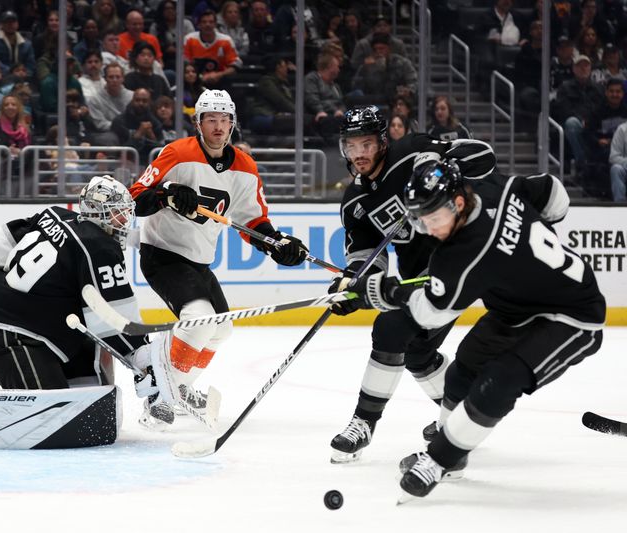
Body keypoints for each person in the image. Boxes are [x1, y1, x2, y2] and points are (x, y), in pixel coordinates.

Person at [344, 158, 604, 499]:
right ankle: (452, 452)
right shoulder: (495, 186)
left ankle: (439, 460)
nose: (428, 228)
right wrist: (529, 244)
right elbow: (554, 193)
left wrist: (384, 292)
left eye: (433, 218)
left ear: (459, 203)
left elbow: (429, 314)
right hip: (514, 310)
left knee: (501, 379)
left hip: (572, 316)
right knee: (461, 374)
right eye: (421, 219)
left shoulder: (462, 254)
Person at [0, 175, 184, 450]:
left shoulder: (54, 216)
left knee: (90, 410)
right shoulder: (99, 247)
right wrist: (144, 363)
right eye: (117, 214)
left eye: (125, 214)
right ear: (100, 213)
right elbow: (113, 318)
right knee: (50, 417)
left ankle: (81, 393)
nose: (123, 221)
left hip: (38, 328)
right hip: (10, 334)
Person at [326, 105, 497, 464]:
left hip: (461, 262)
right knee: (418, 354)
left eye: (367, 144)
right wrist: (351, 286)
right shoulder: (354, 202)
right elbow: (366, 259)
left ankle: (364, 422)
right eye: (351, 145)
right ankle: (464, 417)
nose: (359, 154)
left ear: (383, 142)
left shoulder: (414, 152)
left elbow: (485, 156)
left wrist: (447, 160)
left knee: (390, 328)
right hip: (427, 280)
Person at [126, 89, 309, 421]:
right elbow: (134, 197)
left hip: (198, 261)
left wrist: (276, 244)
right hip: (162, 253)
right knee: (198, 317)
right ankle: (160, 398)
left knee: (221, 329)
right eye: (211, 119)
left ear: (232, 124)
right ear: (198, 122)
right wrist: (166, 196)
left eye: (224, 120)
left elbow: (252, 221)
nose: (218, 126)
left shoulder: (244, 167)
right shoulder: (177, 153)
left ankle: (178, 387)